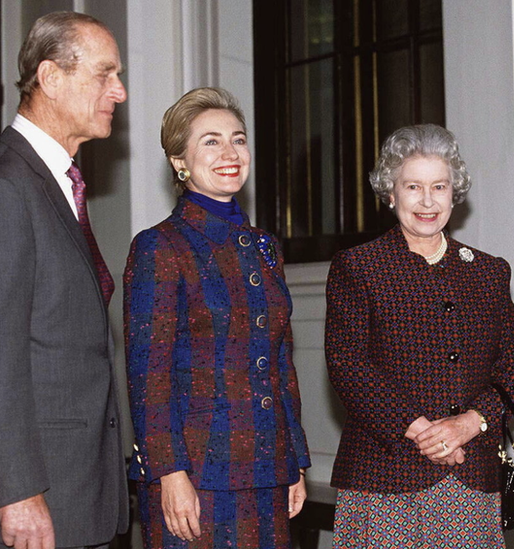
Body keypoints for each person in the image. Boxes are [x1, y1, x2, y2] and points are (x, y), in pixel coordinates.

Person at [0, 11, 129, 549]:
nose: (119, 91)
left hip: (75, 495)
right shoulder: (5, 190)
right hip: (35, 504)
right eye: (105, 73)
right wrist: (17, 494)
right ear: (50, 78)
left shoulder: (52, 181)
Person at [325, 124, 514, 548]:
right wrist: (422, 431)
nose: (427, 200)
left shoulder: (488, 271)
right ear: (390, 193)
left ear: (455, 193)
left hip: (470, 476)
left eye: (439, 186)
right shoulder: (359, 268)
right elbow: (348, 365)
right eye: (413, 186)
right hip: (384, 477)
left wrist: (472, 423)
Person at [124, 87, 311, 549]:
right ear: (178, 160)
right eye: (211, 141)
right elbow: (149, 376)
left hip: (269, 469)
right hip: (197, 476)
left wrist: (295, 462)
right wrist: (169, 474)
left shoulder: (265, 247)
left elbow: (281, 362)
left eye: (238, 138)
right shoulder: (160, 247)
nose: (230, 152)